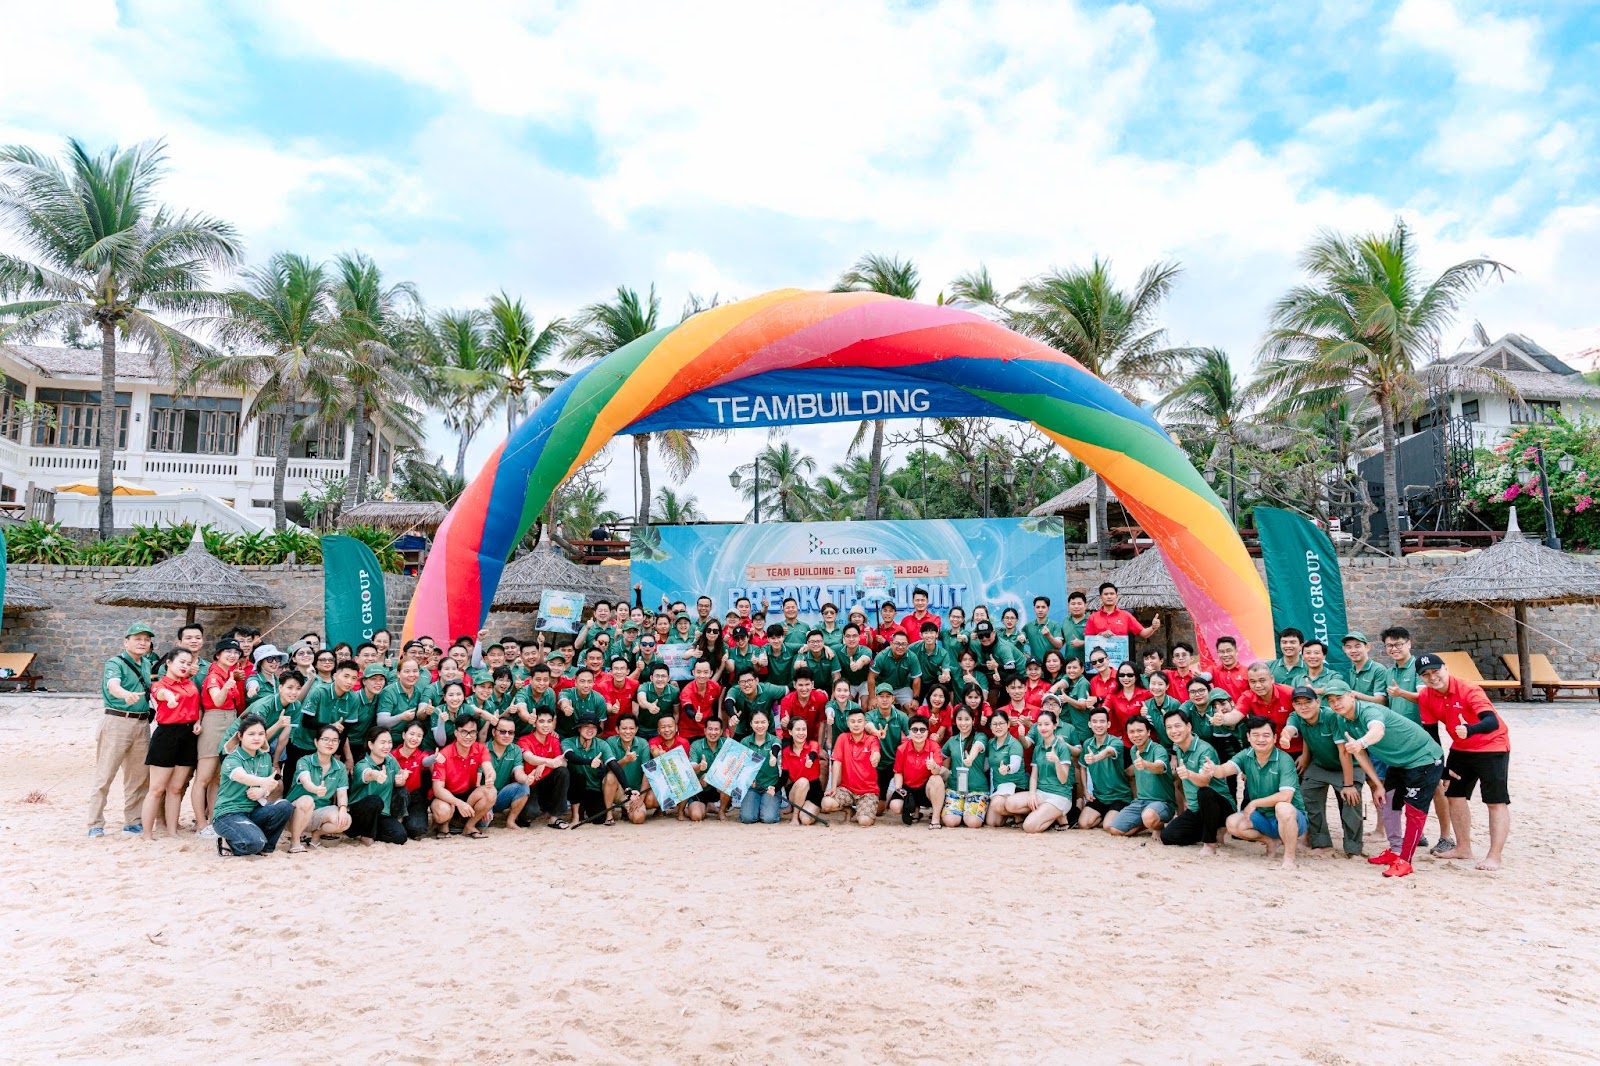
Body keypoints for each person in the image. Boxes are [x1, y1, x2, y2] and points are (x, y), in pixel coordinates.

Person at [1415, 655, 1511, 871]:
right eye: (1426, 674)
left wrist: (1470, 729)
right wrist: (1441, 767)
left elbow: (1492, 721)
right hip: (1461, 748)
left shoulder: (1468, 689)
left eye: (1435, 671)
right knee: (1454, 796)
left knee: (1495, 801)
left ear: (1446, 668)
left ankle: (1494, 856)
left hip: (1492, 745)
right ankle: (1463, 848)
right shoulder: (1426, 696)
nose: (1432, 677)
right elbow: (1432, 736)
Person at [1380, 626, 1454, 855]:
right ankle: (1417, 833)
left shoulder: (1420, 668)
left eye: (1398, 644)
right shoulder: (1389, 672)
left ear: (1409, 644)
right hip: (1399, 742)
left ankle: (1446, 836)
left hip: (1424, 738)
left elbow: (1425, 697)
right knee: (1402, 788)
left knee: (1435, 787)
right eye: (1390, 645)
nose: (1394, 649)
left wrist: (1401, 693)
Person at [1279, 681, 1365, 858]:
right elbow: (1290, 729)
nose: (1303, 707)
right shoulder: (1296, 716)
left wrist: (1348, 785)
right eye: (1298, 703)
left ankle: (1353, 848)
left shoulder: (1332, 717)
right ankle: (1321, 842)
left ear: (1318, 702)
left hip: (1347, 765)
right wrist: (1286, 737)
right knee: (1307, 794)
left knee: (1351, 800)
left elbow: (1344, 753)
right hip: (1320, 765)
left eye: (1308, 702)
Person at [1209, 715, 1306, 870]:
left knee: (1283, 807)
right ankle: (1270, 841)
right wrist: (1213, 769)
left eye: (1266, 735)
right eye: (1256, 735)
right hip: (1262, 816)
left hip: (1291, 818)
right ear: (1248, 737)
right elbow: (1223, 771)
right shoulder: (1246, 755)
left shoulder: (1284, 759)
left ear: (1274, 738)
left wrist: (1255, 803)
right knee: (1232, 823)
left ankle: (1289, 857)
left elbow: (1286, 796)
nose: (1261, 739)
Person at [88, 623, 158, 838]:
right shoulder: (115, 663)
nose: (142, 643)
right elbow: (113, 684)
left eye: (146, 639)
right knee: (105, 774)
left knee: (138, 776)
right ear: (126, 642)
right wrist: (124, 694)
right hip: (117, 721)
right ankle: (95, 823)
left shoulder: (146, 663)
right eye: (137, 639)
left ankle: (133, 821)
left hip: (142, 723)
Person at [212, 713, 295, 857]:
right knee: (254, 842)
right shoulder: (232, 758)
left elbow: (269, 785)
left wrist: (262, 792)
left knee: (285, 806)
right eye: (251, 734)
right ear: (240, 736)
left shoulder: (265, 757)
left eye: (261, 734)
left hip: (253, 811)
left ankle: (265, 847)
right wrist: (263, 782)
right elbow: (241, 776)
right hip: (229, 814)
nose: (257, 738)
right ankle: (227, 842)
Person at [141, 647, 202, 840]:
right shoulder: (159, 684)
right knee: (156, 789)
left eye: (188, 663)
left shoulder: (191, 684)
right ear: (168, 663)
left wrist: (198, 721)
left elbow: (197, 706)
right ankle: (147, 833)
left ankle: (172, 831)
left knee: (176, 788)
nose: (185, 666)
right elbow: (161, 694)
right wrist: (170, 698)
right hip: (167, 735)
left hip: (189, 735)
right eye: (181, 662)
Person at [191, 638, 249, 838]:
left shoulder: (228, 674)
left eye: (236, 652)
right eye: (228, 651)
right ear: (217, 655)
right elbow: (217, 700)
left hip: (230, 720)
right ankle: (201, 824)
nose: (233, 655)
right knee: (203, 777)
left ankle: (213, 821)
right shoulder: (214, 675)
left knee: (217, 777)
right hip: (215, 721)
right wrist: (229, 684)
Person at [1161, 702, 1235, 851]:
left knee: (1204, 792)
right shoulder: (1179, 748)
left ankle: (1210, 843)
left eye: (1177, 726)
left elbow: (1204, 781)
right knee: (1168, 836)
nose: (1173, 731)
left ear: (1188, 726)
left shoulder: (1204, 749)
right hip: (1197, 809)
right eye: (1169, 727)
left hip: (1220, 806)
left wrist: (1189, 774)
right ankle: (1212, 830)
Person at [285, 723, 352, 853]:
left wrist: (343, 809)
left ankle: (316, 834)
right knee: (307, 801)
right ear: (316, 742)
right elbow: (305, 780)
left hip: (319, 811)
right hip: (296, 812)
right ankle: (295, 841)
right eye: (325, 739)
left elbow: (342, 793)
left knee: (345, 820)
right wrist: (315, 789)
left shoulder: (340, 767)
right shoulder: (305, 761)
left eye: (334, 740)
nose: (330, 743)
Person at [1105, 716, 1173, 837]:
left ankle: (1158, 825)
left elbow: (1160, 767)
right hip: (1140, 802)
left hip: (1162, 803)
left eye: (1140, 731)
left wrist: (1146, 764)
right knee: (1114, 830)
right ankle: (1148, 824)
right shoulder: (1133, 750)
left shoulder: (1158, 749)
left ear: (1148, 732)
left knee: (1149, 816)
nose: (1136, 735)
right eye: (1131, 732)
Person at [429, 716, 495, 838]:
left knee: (491, 791)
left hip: (468, 794)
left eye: (472, 732)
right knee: (442, 812)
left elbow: (488, 767)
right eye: (464, 732)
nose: (468, 736)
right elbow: (438, 790)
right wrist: (458, 803)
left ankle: (469, 826)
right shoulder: (445, 754)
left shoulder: (480, 748)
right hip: (446, 796)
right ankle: (444, 825)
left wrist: (490, 776)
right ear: (456, 732)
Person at [345, 727, 408, 845]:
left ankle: (370, 832)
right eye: (382, 742)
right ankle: (365, 835)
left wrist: (402, 778)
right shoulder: (362, 764)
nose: (387, 746)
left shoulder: (390, 760)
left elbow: (400, 774)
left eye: (389, 742)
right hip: (360, 815)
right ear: (371, 745)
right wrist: (376, 775)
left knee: (400, 836)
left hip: (381, 814)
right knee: (374, 800)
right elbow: (367, 774)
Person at [822, 706, 882, 827]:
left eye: (859, 721)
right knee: (826, 803)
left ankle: (863, 811)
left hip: (868, 791)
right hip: (847, 789)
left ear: (864, 723)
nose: (856, 724)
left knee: (864, 822)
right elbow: (837, 762)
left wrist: (875, 757)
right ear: (848, 723)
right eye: (853, 721)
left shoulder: (872, 739)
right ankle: (849, 810)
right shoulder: (842, 738)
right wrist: (833, 787)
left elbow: (876, 752)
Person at [517, 707, 573, 829]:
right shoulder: (524, 740)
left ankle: (554, 817)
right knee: (530, 814)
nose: (546, 725)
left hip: (546, 783)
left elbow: (562, 762)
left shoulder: (554, 739)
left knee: (563, 772)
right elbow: (529, 758)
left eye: (549, 721)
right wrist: (548, 762)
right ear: (534, 723)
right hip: (530, 784)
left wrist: (544, 764)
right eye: (541, 721)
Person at [1077, 707, 1130, 830]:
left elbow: (1108, 751)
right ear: (1089, 724)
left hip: (1119, 796)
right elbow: (1082, 767)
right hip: (1099, 796)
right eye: (1094, 721)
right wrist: (1085, 791)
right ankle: (1106, 815)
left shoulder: (1116, 742)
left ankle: (1111, 816)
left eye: (1102, 721)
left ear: (1108, 724)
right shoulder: (1087, 744)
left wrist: (1096, 757)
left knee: (1108, 826)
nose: (1098, 725)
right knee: (1083, 824)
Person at [1022, 708, 1075, 833]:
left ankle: (1057, 814)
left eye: (1047, 724)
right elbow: (1034, 776)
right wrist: (1032, 794)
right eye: (1039, 724)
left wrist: (1057, 761)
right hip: (1041, 793)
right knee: (1010, 804)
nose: (1043, 728)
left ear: (1054, 725)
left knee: (1029, 826)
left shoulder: (1062, 747)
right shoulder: (1038, 748)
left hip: (1059, 794)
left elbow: (1063, 780)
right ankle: (1050, 813)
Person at [939, 705, 989, 829]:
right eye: (959, 719)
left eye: (967, 719)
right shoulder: (952, 740)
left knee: (973, 823)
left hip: (977, 788)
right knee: (950, 822)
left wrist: (970, 758)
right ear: (955, 721)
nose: (963, 723)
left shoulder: (980, 736)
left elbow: (978, 746)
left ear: (973, 720)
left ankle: (967, 811)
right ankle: (960, 810)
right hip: (955, 788)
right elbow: (940, 756)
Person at [484, 717, 533, 829]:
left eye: (510, 732)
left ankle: (511, 822)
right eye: (502, 732)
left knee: (523, 787)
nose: (507, 735)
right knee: (484, 824)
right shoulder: (483, 749)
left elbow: (519, 773)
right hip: (484, 796)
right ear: (493, 732)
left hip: (500, 796)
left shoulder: (516, 750)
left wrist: (526, 779)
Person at [737, 708, 784, 824]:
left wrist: (773, 756)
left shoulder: (774, 740)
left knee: (769, 818)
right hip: (752, 787)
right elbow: (740, 766)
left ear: (768, 723)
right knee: (747, 818)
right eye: (756, 722)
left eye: (763, 722)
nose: (760, 726)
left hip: (770, 788)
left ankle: (768, 806)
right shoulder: (745, 742)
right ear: (751, 724)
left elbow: (776, 746)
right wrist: (747, 779)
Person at [985, 708, 1030, 827]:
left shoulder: (1014, 744)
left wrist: (1007, 768)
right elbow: (986, 765)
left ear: (1008, 724)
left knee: (997, 804)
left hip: (1016, 787)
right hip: (1000, 788)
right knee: (993, 822)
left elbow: (1015, 765)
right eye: (994, 724)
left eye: (1001, 723)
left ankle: (1020, 815)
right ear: (990, 726)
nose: (998, 727)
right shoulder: (990, 743)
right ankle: (1014, 814)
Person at [606, 714, 652, 824]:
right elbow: (609, 768)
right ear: (617, 729)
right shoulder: (610, 742)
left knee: (638, 818)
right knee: (610, 776)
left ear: (636, 729)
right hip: (617, 789)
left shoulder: (643, 743)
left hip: (634, 792)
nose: (628, 732)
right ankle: (609, 813)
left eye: (631, 728)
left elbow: (647, 772)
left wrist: (641, 799)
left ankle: (626, 810)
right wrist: (625, 760)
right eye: (624, 728)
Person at [780, 717, 826, 826]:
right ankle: (795, 816)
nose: (801, 733)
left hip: (813, 790)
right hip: (796, 789)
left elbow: (813, 753)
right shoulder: (786, 751)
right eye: (798, 729)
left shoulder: (813, 744)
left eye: (804, 729)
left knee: (806, 820)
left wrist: (810, 760)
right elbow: (784, 777)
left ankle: (807, 808)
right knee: (802, 781)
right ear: (790, 732)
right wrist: (773, 788)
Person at [686, 716, 731, 822]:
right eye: (710, 729)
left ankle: (721, 811)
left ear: (721, 732)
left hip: (719, 788)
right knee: (696, 816)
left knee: (726, 780)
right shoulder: (696, 745)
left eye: (716, 729)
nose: (713, 732)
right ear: (705, 730)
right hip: (701, 788)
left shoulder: (728, 744)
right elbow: (691, 768)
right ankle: (705, 806)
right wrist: (699, 767)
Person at [392, 721, 431, 839]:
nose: (414, 738)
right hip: (396, 795)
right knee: (401, 791)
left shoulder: (421, 755)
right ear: (404, 735)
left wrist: (435, 758)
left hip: (415, 796)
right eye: (412, 734)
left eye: (419, 736)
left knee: (418, 830)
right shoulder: (392, 756)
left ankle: (408, 821)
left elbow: (426, 761)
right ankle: (398, 821)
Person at [1085, 581, 1159, 640]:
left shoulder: (1126, 616)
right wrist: (1100, 635)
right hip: (1099, 654)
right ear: (1101, 598)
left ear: (1116, 597)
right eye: (1106, 594)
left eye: (1112, 594)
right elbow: (1088, 640)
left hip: (1121, 654)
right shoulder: (1093, 617)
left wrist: (1153, 627)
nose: (1109, 596)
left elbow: (1144, 634)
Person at [869, 631, 922, 713]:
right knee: (875, 708)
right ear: (891, 644)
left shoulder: (912, 657)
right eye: (897, 643)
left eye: (904, 644)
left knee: (912, 709)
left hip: (902, 687)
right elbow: (871, 677)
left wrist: (915, 698)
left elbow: (917, 679)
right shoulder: (881, 656)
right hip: (882, 687)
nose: (900, 647)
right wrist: (872, 698)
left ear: (907, 645)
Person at [1104, 663, 1152, 741]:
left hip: (1144, 740)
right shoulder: (1112, 695)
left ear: (1136, 676)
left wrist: (1148, 714)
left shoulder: (1147, 694)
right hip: (1124, 740)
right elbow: (1103, 710)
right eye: (1122, 675)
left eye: (1130, 675)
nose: (1125, 678)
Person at [678, 659, 722, 742]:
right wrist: (694, 715)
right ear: (693, 672)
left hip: (707, 729)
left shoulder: (715, 686)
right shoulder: (687, 691)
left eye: (705, 672)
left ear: (711, 673)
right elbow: (688, 709)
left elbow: (716, 703)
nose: (702, 675)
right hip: (688, 731)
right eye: (698, 672)